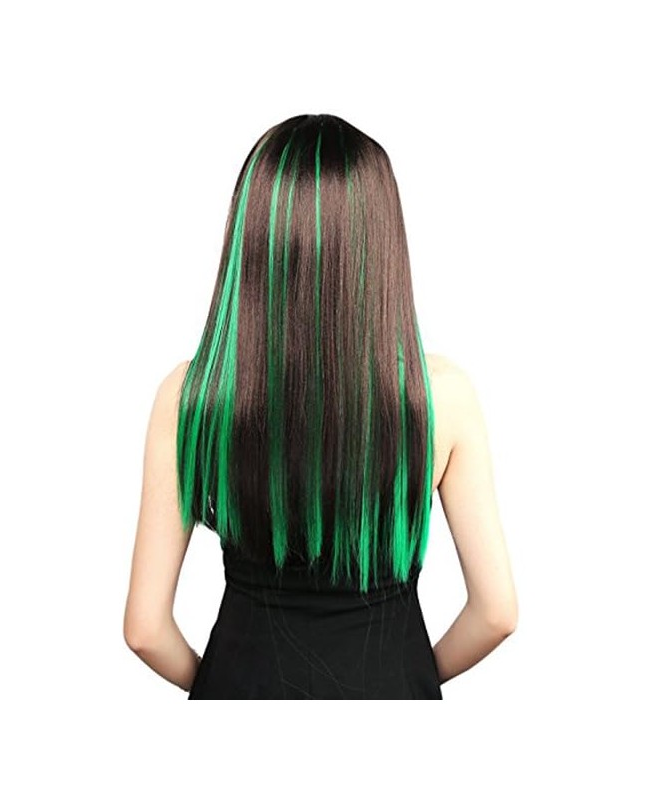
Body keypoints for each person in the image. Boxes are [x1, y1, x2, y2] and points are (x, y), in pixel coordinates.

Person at [123, 113, 518, 699]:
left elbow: (145, 630)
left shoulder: (192, 396)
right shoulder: (439, 396)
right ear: (380, 241)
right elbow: (496, 613)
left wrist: (222, 686)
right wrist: (405, 677)